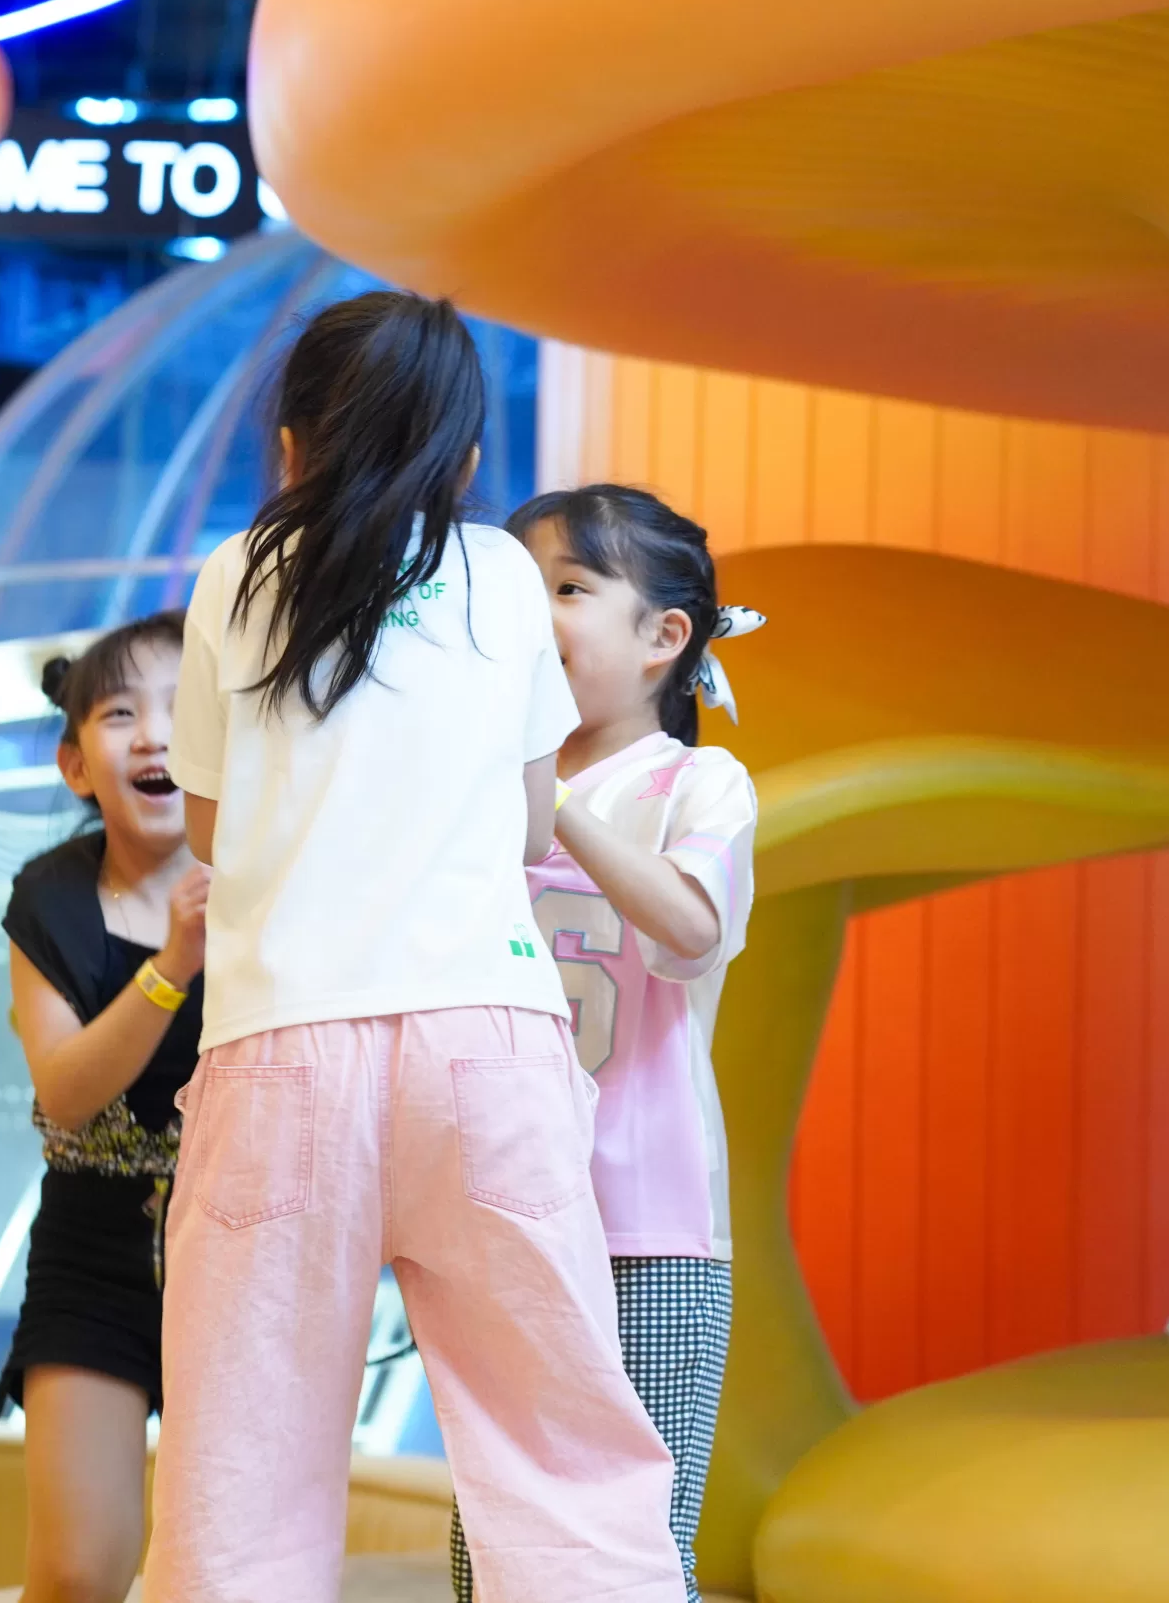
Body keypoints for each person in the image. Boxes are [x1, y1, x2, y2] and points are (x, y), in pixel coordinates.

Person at [146, 291, 684, 1603]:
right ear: (465, 457)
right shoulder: (502, 570)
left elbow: (212, 821)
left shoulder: (235, 573)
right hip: (485, 1043)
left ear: (290, 443)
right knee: (562, 1450)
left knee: (245, 1471)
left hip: (282, 1052)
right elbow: (523, 818)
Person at [448, 484, 764, 1603]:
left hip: (653, 1225)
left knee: (636, 1539)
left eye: (569, 588)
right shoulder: (474, 795)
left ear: (663, 638)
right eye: (520, 588)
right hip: (506, 1211)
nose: (537, 615)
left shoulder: (699, 782)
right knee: (490, 1538)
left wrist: (554, 800)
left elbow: (692, 929)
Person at [0, 613, 210, 1603]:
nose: (155, 736)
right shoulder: (49, 895)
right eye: (122, 713)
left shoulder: (279, 883)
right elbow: (66, 1095)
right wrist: (173, 965)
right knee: (79, 1571)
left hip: (246, 1251)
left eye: (182, 708)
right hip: (92, 1253)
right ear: (76, 764)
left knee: (229, 1568)